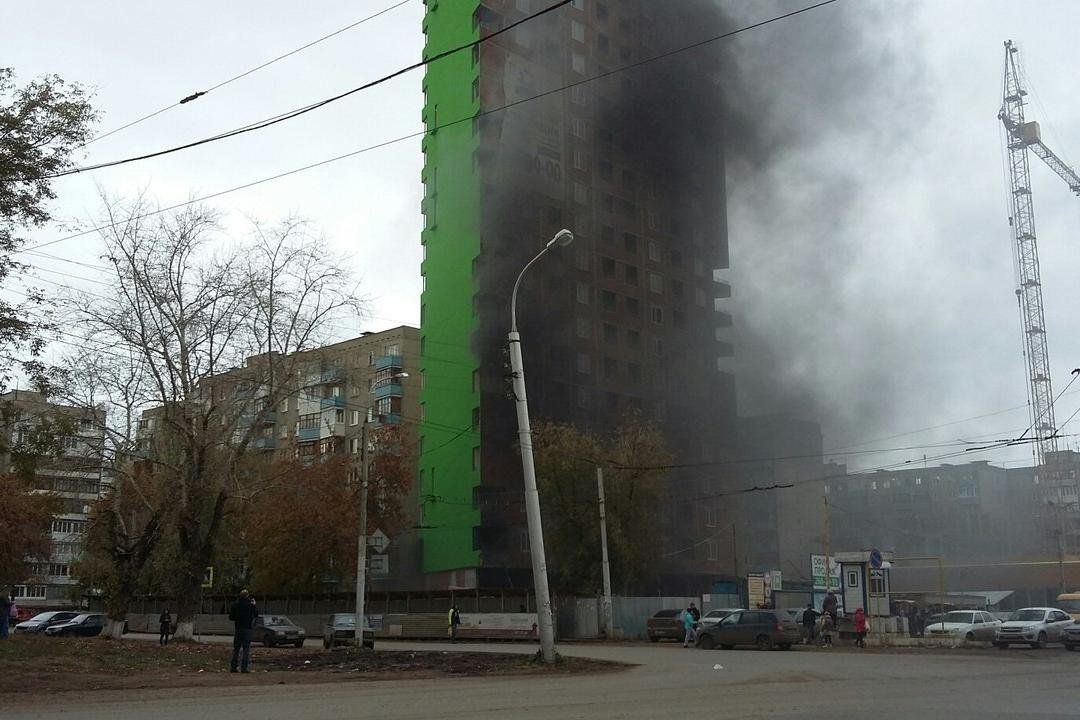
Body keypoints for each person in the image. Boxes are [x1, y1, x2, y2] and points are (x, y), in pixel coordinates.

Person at [228, 589, 259, 673]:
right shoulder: (250, 605)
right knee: (246, 649)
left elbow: (231, 617)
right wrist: (254, 605)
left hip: (238, 628)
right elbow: (256, 614)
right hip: (248, 628)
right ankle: (244, 668)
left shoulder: (235, 605)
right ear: (247, 596)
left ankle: (233, 667)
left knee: (236, 649)